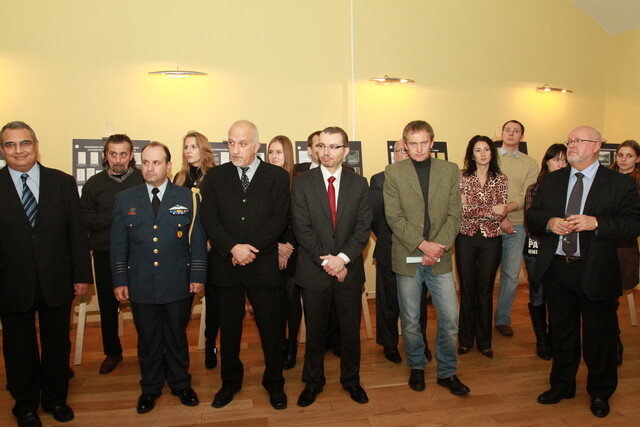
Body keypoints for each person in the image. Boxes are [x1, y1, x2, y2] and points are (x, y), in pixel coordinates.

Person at [527, 126, 640, 418]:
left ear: (597, 146)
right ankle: (562, 385)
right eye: (570, 141)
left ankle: (600, 392)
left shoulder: (619, 183)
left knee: (599, 337)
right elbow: (533, 215)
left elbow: (632, 224)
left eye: (579, 141)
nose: (572, 145)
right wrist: (549, 222)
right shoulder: (553, 180)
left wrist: (597, 223)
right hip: (557, 269)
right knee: (561, 333)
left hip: (597, 271)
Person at [0, 121, 93, 426]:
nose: (18, 150)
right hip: (11, 283)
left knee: (57, 344)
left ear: (36, 145)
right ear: (2, 150)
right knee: (18, 347)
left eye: (24, 143)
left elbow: (77, 232)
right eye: (10, 145)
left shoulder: (62, 182)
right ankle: (25, 404)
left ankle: (55, 399)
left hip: (57, 280)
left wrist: (82, 274)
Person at [111, 142, 207, 414]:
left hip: (177, 280)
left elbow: (197, 240)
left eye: (156, 162)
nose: (150, 168)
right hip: (140, 282)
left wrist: (197, 275)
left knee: (176, 336)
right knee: (148, 339)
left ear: (168, 166)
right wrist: (119, 280)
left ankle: (180, 383)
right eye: (146, 162)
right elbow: (118, 244)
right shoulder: (125, 199)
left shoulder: (187, 197)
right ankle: (150, 388)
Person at [200, 120, 290, 410]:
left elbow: (280, 217)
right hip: (227, 265)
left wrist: (250, 249)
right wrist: (232, 248)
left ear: (256, 146)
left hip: (262, 265)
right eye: (231, 143)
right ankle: (230, 381)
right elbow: (209, 218)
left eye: (242, 143)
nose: (235, 149)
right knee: (229, 328)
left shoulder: (276, 176)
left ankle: (274, 382)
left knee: (271, 328)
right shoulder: (215, 177)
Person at [384, 120, 470, 395]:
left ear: (432, 143)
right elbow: (394, 217)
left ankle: (447, 372)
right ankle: (417, 366)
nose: (419, 149)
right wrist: (423, 245)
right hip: (407, 255)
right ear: (405, 145)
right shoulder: (393, 172)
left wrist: (437, 248)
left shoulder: (449, 170)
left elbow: (455, 215)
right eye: (413, 144)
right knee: (410, 320)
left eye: (424, 143)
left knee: (450, 318)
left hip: (440, 256)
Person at [292, 126, 372, 407]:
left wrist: (343, 259)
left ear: (345, 151)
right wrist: (329, 261)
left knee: (350, 331)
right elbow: (302, 229)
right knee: (315, 333)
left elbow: (363, 228)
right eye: (322, 146)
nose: (327, 152)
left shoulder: (359, 184)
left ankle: (352, 380)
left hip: (348, 271)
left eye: (334, 146)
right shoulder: (302, 183)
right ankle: (313, 382)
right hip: (315, 271)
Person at [81, 134, 144, 375]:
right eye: (113, 154)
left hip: (139, 255)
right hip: (105, 254)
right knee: (108, 307)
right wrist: (118, 214)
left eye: (123, 154)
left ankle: (147, 350)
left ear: (131, 156)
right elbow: (85, 219)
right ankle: (113, 352)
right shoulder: (93, 185)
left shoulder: (142, 180)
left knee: (143, 306)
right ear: (105, 156)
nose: (118, 160)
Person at [370, 138, 432, 364]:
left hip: (420, 250)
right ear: (394, 155)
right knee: (388, 302)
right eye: (401, 150)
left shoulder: (426, 178)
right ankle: (389, 343)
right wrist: (391, 238)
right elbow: (374, 217)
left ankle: (419, 342)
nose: (406, 153)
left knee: (418, 302)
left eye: (409, 150)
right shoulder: (380, 179)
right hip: (389, 248)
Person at [456, 135, 508, 359]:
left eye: (486, 149)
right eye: (478, 150)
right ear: (472, 154)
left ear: (492, 152)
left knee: (485, 290)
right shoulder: (461, 177)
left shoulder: (501, 178)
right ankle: (465, 340)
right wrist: (489, 209)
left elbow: (501, 212)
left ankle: (485, 342)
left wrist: (474, 207)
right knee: (468, 290)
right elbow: (461, 210)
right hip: (466, 238)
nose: (483, 154)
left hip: (492, 239)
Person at [173, 130, 220, 370]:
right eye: (186, 147)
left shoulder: (215, 177)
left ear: (204, 149)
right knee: (182, 302)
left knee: (213, 301)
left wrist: (209, 242)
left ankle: (210, 343)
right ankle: (175, 347)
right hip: (184, 253)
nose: (189, 151)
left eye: (193, 146)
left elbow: (220, 214)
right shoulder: (179, 178)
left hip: (210, 250)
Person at [494, 120, 539, 337]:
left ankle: (502, 319)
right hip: (488, 224)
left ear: (522, 136)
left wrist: (508, 209)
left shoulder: (531, 163)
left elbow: (527, 194)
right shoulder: (490, 156)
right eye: (508, 130)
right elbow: (484, 188)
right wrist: (501, 217)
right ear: (501, 133)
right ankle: (478, 320)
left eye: (516, 131)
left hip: (518, 226)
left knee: (511, 276)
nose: (511, 133)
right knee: (483, 276)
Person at [523, 143, 568, 360]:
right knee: (538, 293)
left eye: (565, 160)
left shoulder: (574, 188)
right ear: (547, 162)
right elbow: (532, 221)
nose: (560, 164)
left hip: (564, 250)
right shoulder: (535, 188)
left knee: (559, 297)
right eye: (556, 159)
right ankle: (541, 339)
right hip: (537, 248)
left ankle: (554, 337)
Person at [267, 135, 301, 370]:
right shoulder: (264, 181)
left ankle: (292, 346)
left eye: (279, 152)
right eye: (271, 152)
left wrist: (287, 248)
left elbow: (300, 219)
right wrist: (275, 247)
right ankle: (278, 343)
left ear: (288, 154)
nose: (274, 156)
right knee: (274, 301)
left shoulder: (298, 182)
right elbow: (261, 220)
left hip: (294, 249)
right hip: (269, 249)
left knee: (291, 298)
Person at [609, 139, 640, 365]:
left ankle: (613, 340)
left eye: (629, 156)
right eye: (621, 155)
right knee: (606, 296)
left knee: (615, 295)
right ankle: (612, 338)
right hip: (603, 241)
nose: (624, 159)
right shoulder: (606, 178)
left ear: (637, 159)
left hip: (625, 245)